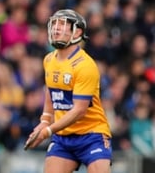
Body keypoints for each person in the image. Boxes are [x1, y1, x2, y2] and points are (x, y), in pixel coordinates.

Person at [24, 9, 112, 173]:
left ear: (77, 31)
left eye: (62, 25)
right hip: (63, 137)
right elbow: (51, 93)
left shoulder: (85, 65)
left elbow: (79, 110)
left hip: (92, 135)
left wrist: (48, 131)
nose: (56, 28)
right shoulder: (49, 59)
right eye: (55, 24)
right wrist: (45, 120)